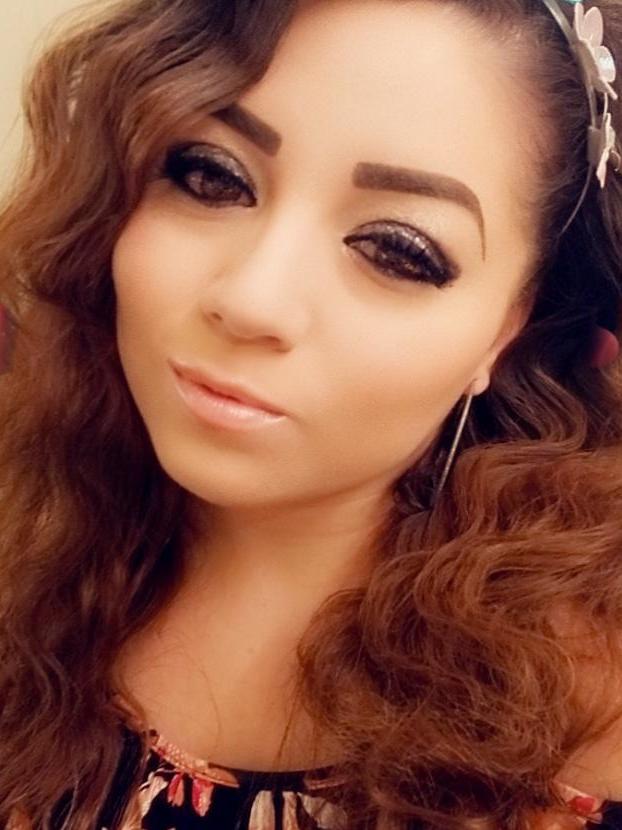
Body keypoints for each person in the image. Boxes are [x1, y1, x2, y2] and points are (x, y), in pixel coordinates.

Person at [1, 0, 622, 827]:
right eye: (212, 176)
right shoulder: (25, 534)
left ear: (507, 331)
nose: (251, 300)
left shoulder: (591, 723)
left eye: (398, 250)